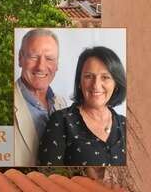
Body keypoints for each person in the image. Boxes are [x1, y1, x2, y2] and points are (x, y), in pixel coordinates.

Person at [38, 46, 127, 166]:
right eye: (88, 76)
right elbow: (49, 178)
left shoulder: (126, 125)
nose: (96, 85)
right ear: (79, 82)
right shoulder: (61, 121)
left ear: (116, 84)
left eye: (105, 77)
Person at [14, 29, 68, 166]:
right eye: (33, 57)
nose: (41, 66)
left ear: (57, 65)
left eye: (49, 59)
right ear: (20, 58)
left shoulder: (62, 104)